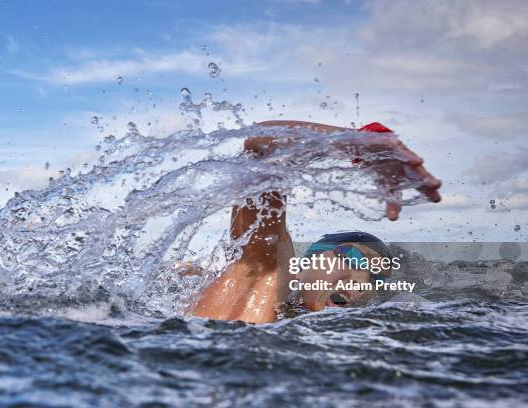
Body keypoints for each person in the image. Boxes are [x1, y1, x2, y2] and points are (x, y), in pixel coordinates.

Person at [187, 120, 441, 323]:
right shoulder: (261, 283)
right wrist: (362, 143)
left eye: (377, 278)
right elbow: (263, 150)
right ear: (300, 267)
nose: (362, 280)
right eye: (353, 257)